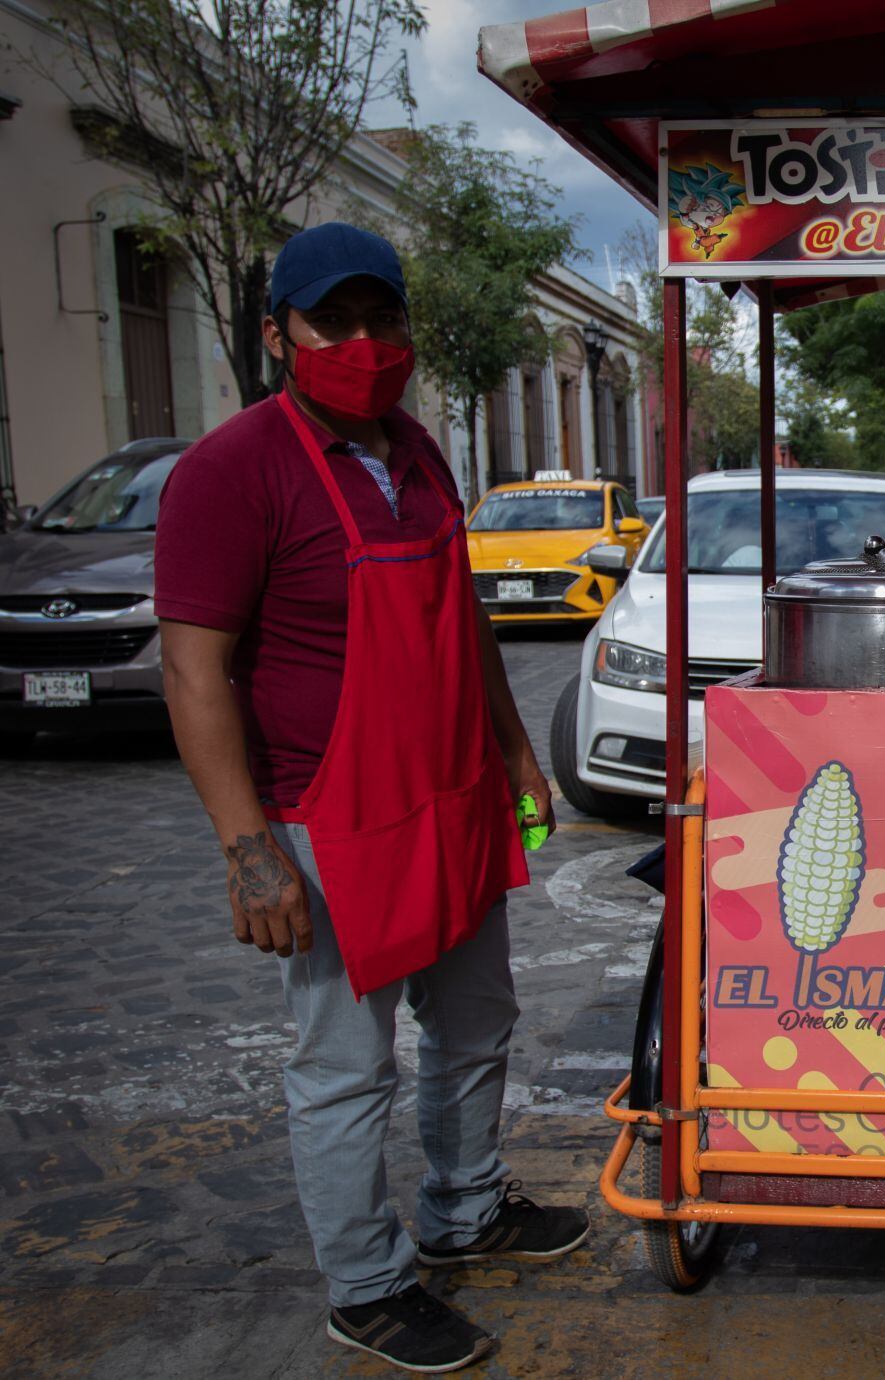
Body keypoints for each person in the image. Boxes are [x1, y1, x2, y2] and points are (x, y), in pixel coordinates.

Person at [156, 223, 579, 1375]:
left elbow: (463, 616)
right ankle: (367, 1283)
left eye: (379, 319)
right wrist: (251, 849)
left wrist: (512, 754)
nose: (361, 343)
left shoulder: (421, 451)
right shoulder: (232, 470)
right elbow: (194, 667)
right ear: (278, 335)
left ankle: (466, 1208)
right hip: (328, 816)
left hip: (450, 795)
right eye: (331, 323)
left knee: (480, 1018)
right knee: (347, 1063)